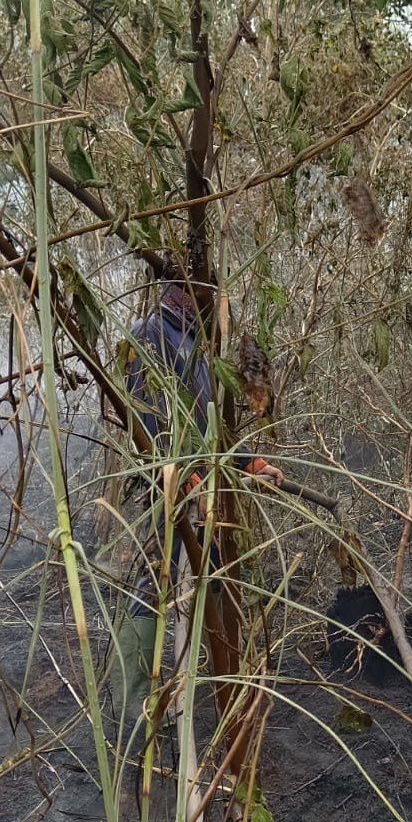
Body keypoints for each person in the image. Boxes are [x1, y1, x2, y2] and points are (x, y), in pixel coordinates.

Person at [114, 278, 283, 735]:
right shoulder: (148, 335)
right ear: (185, 292)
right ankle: (135, 706)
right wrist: (180, 476)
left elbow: (211, 422)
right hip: (170, 490)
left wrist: (251, 464)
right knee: (157, 582)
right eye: (210, 293)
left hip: (205, 489)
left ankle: (198, 689)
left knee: (206, 579)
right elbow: (148, 420)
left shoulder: (196, 344)